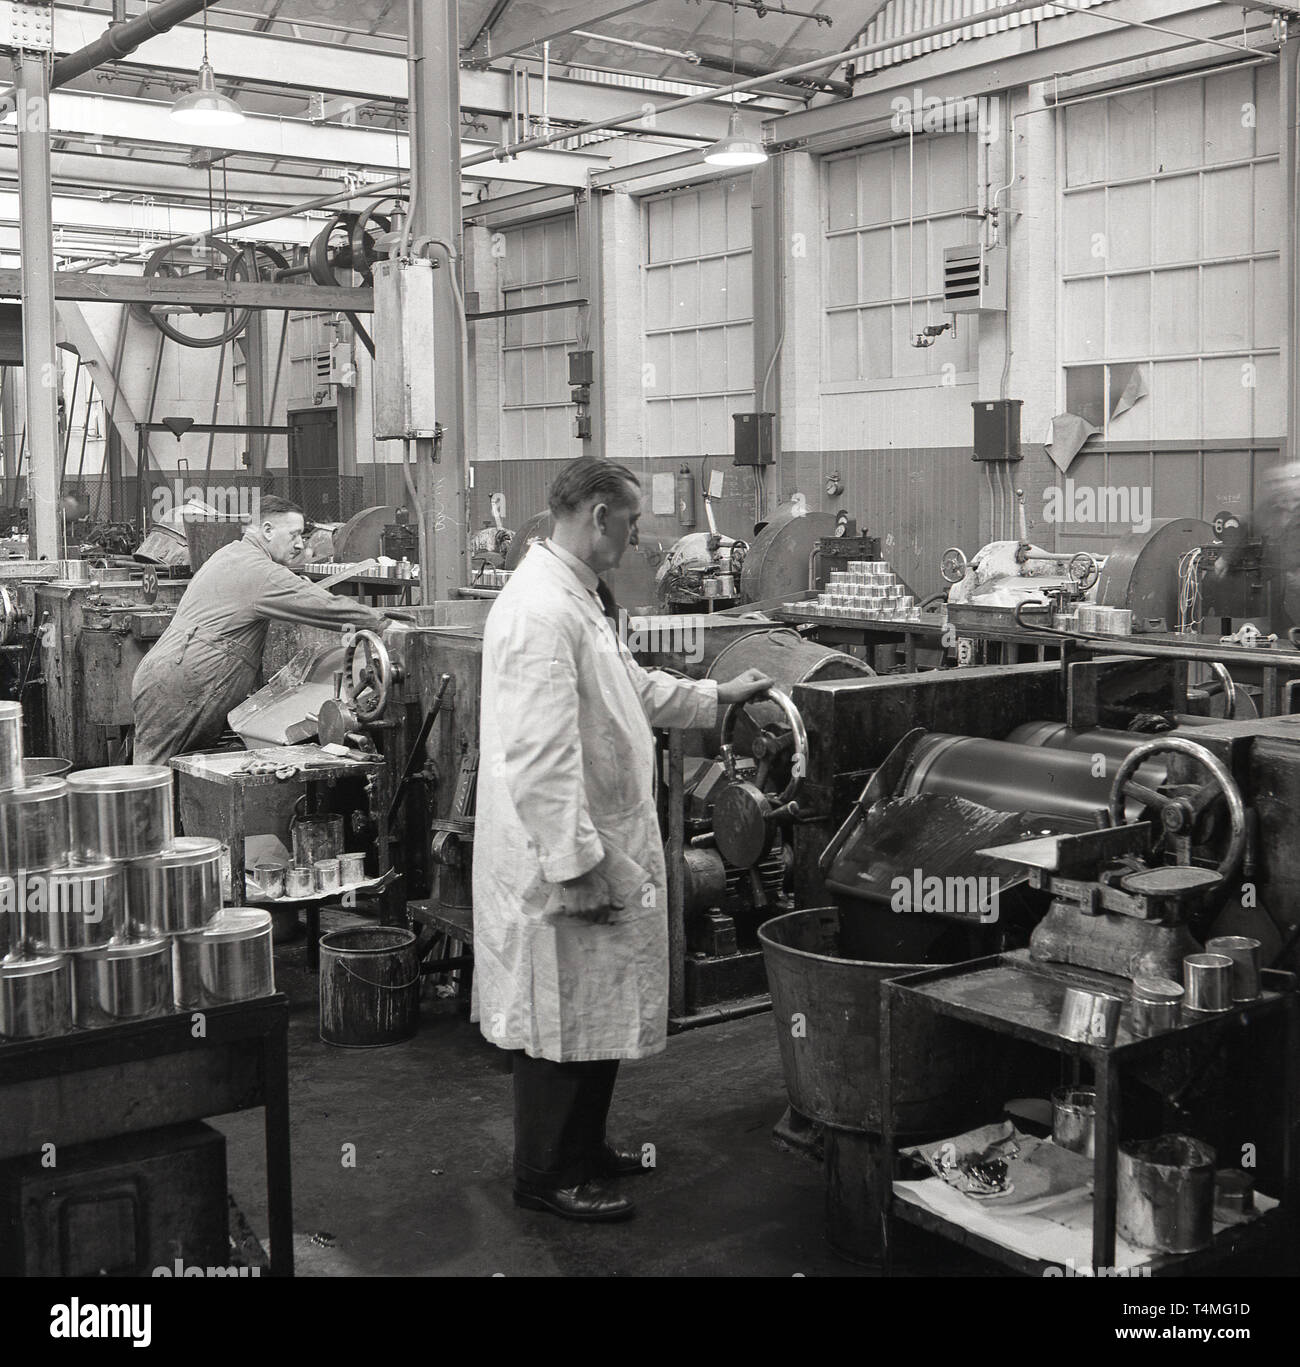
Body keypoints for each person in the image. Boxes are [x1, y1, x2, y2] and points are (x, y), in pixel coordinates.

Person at [473, 456, 772, 1223]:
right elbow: (539, 755)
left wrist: (715, 695)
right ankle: (544, 1173)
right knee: (558, 1017)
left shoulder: (576, 599)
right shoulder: (540, 609)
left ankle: (583, 1150)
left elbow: (628, 686)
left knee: (594, 1007)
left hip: (597, 837)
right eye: (633, 523)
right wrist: (575, 864)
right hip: (563, 850)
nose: (639, 538)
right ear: (599, 516)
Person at [131, 495, 389, 765]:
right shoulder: (261, 572)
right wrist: (382, 622)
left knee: (169, 772)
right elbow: (328, 608)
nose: (300, 544)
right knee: (155, 780)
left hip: (167, 673)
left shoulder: (232, 552)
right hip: (182, 683)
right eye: (294, 535)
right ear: (267, 530)